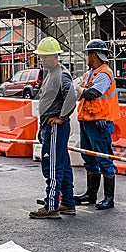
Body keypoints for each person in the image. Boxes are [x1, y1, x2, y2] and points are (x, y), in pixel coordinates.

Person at [29, 37, 77, 219]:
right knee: (62, 164)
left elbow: (71, 96)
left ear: (52, 57)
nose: (41, 59)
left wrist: (61, 117)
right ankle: (67, 202)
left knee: (53, 165)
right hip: (51, 126)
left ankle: (51, 205)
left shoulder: (60, 74)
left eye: (43, 57)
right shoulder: (53, 73)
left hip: (55, 126)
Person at [75, 39, 120, 210]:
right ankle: (91, 194)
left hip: (100, 122)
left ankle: (109, 198)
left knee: (103, 158)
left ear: (94, 55)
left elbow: (92, 93)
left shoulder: (104, 74)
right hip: (87, 121)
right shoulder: (91, 74)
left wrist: (80, 90)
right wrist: (80, 90)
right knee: (89, 158)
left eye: (88, 54)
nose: (86, 57)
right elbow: (81, 92)